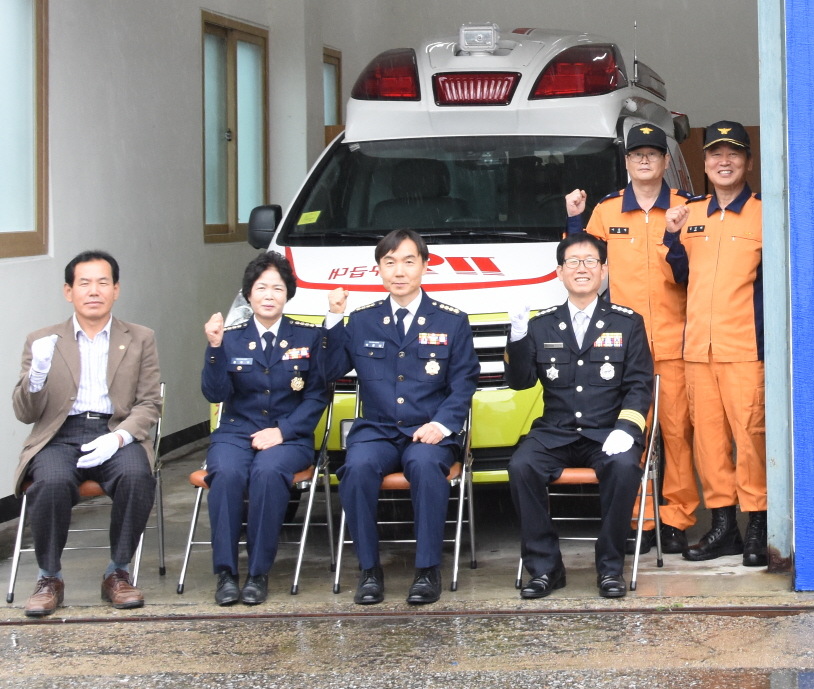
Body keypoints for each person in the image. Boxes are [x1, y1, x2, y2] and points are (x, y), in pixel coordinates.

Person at [324, 229, 476, 606]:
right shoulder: (362, 320)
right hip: (376, 430)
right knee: (355, 469)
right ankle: (369, 570)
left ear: (425, 266)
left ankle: (427, 570)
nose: (399, 271)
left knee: (425, 466)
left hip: (429, 429)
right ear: (378, 269)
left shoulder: (451, 321)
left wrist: (441, 425)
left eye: (409, 261)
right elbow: (329, 369)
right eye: (389, 262)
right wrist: (334, 318)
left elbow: (464, 382)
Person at [11, 250, 162, 618]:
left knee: (136, 476)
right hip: (59, 434)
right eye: (84, 283)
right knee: (50, 482)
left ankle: (118, 572)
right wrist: (36, 375)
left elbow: (149, 402)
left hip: (115, 430)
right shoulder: (42, 340)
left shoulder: (140, 338)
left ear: (116, 290)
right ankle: (49, 578)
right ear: (69, 291)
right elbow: (25, 412)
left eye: (103, 283)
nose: (94, 291)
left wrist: (120, 437)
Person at [565, 121, 692, 556]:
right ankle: (641, 518)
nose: (644, 160)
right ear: (626, 161)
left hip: (675, 340)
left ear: (665, 160)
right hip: (622, 347)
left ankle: (676, 519)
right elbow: (581, 261)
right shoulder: (607, 209)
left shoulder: (685, 206)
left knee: (677, 434)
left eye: (652, 154)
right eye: (637, 154)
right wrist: (575, 218)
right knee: (630, 432)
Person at [507, 232, 656, 599]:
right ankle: (545, 568)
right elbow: (521, 382)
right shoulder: (541, 325)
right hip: (555, 433)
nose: (582, 269)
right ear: (560, 272)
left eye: (591, 261)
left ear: (604, 270)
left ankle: (610, 567)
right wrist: (517, 337)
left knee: (624, 467)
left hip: (607, 432)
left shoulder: (627, 323)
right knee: (522, 466)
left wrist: (627, 427)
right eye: (573, 262)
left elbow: (639, 384)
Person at [198, 250, 333, 606]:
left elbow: (317, 396)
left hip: (289, 437)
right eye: (261, 288)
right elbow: (215, 393)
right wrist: (214, 348)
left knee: (269, 472)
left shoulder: (308, 337)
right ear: (248, 294)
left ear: (288, 294)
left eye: (277, 288)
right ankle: (226, 574)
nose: (269, 295)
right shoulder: (229, 337)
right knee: (226, 473)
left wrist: (283, 431)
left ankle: (258, 573)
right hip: (236, 433)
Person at [668, 121, 769, 567]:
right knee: (708, 442)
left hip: (745, 346)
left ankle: (759, 524)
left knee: (751, 439)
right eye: (715, 154)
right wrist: (671, 236)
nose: (724, 161)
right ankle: (724, 526)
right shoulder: (688, 214)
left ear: (748, 162)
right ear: (704, 163)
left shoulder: (766, 213)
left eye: (733, 153)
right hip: (697, 349)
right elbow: (679, 274)